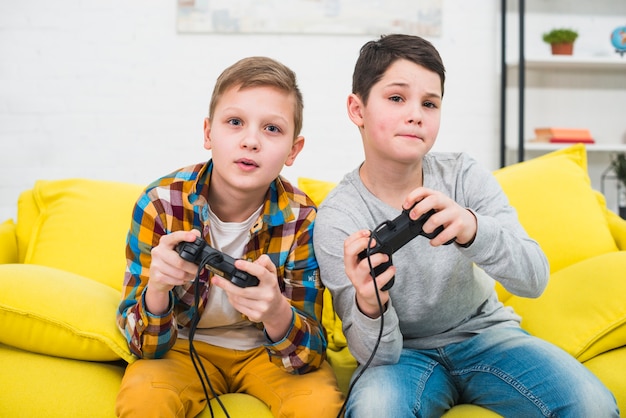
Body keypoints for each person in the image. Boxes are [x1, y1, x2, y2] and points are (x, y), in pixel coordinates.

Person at [313, 34, 619, 417]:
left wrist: (474, 229)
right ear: (357, 110)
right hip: (402, 356)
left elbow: (534, 279)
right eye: (396, 98)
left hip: (487, 336)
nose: (416, 114)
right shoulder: (338, 218)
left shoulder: (463, 175)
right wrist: (370, 304)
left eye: (430, 103)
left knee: (593, 405)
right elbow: (379, 352)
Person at [115, 56, 343, 418]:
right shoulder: (160, 204)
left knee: (318, 403)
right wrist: (158, 289)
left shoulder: (304, 220)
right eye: (235, 122)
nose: (250, 141)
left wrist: (276, 310)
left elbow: (308, 356)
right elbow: (142, 346)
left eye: (272, 129)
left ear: (293, 150)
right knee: (144, 399)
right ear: (208, 133)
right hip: (181, 348)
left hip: (265, 353)